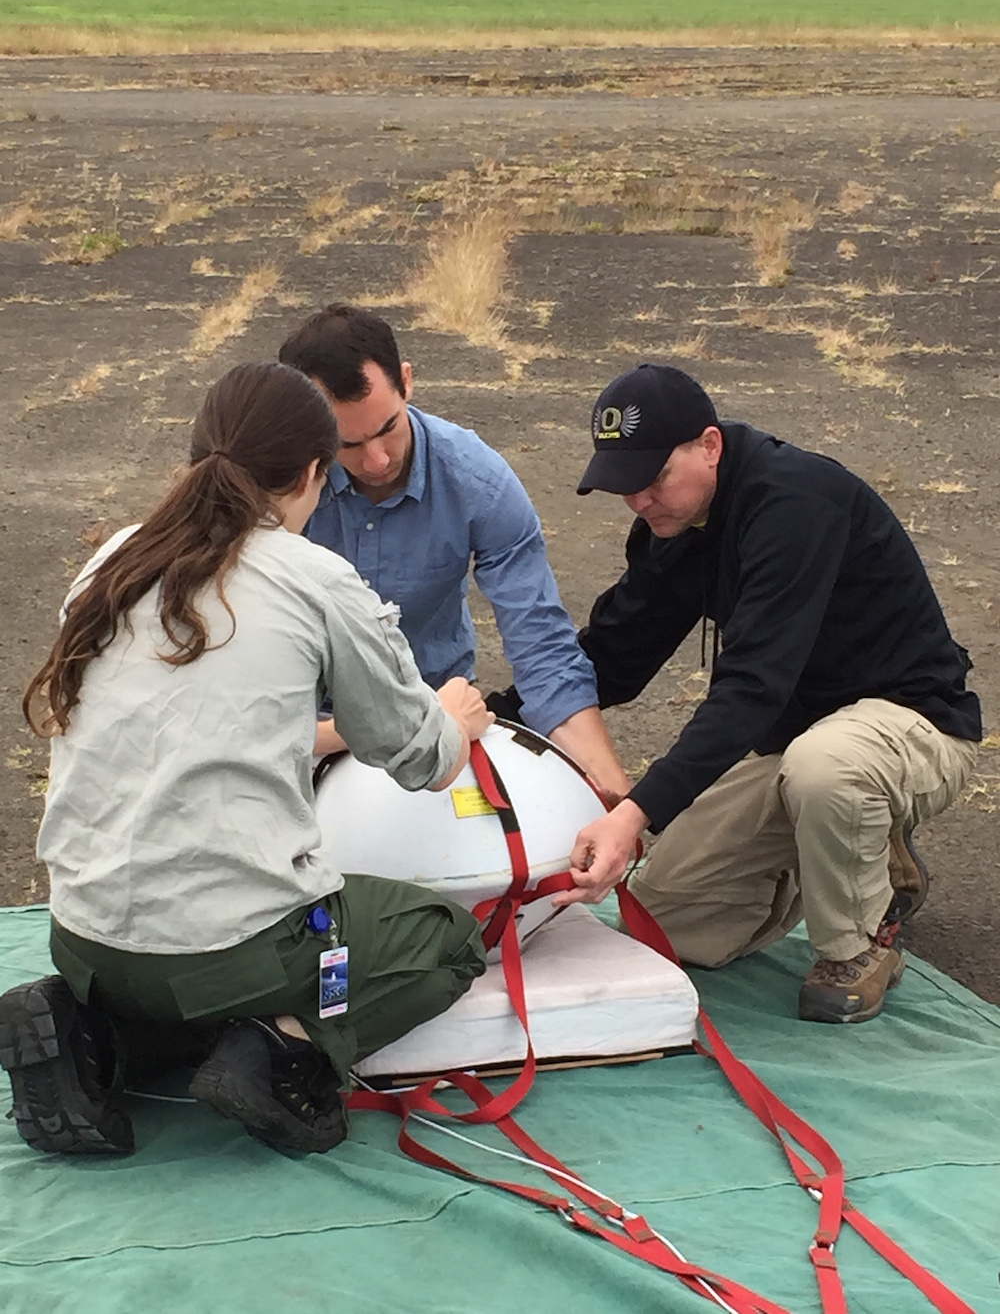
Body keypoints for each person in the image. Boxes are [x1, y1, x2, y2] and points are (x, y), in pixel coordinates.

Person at [0, 361, 493, 1157]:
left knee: (176, 965)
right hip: (234, 954)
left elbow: (204, 729)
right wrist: (455, 718)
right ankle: (279, 1043)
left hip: (83, 937)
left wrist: (326, 730)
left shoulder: (111, 563)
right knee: (443, 938)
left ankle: (97, 1039)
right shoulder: (316, 578)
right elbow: (424, 761)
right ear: (312, 474)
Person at [552, 363, 981, 1024]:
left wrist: (633, 813)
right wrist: (488, 716)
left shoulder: (793, 505)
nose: (640, 499)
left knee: (828, 770)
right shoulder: (677, 524)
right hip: (798, 750)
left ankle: (858, 946)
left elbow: (752, 689)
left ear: (710, 445)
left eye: (654, 477)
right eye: (625, 485)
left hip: (912, 726)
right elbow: (612, 656)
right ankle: (853, 852)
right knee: (664, 918)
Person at [277, 305, 629, 799]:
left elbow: (541, 642)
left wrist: (599, 776)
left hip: (436, 722)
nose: (376, 460)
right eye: (347, 444)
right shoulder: (275, 486)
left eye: (387, 429)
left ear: (406, 381)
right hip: (295, 723)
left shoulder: (480, 482)